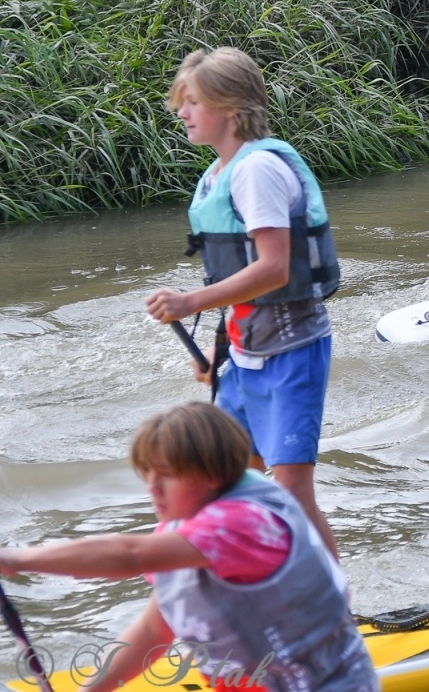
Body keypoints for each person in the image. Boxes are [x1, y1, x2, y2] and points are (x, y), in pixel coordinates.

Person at [0, 403, 378, 691]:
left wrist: (16, 559)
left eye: (166, 474)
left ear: (212, 473)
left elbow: (130, 555)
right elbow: (155, 629)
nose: (152, 487)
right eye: (147, 472)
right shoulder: (182, 529)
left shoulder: (243, 523)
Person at [143, 47, 343, 560]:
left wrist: (189, 301)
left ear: (231, 108)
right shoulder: (219, 174)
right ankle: (261, 586)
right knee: (237, 485)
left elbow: (275, 269)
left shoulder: (258, 171)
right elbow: (242, 284)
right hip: (246, 354)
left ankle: (333, 599)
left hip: (293, 352)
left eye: (193, 102)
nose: (182, 113)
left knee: (291, 493)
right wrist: (223, 352)